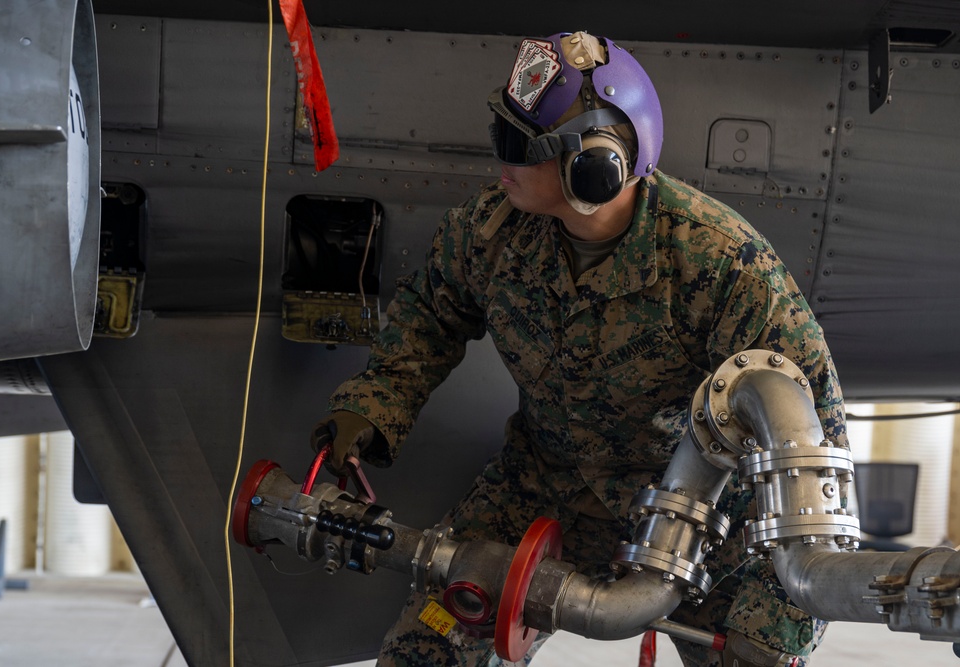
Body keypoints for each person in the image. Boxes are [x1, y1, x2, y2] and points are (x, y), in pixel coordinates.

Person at [311, 31, 846, 667]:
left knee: (753, 657)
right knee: (427, 648)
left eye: (517, 146)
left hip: (691, 510)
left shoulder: (718, 261)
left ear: (595, 167)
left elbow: (812, 429)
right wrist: (373, 405)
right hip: (540, 484)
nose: (499, 162)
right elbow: (431, 312)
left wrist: (781, 610)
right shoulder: (491, 233)